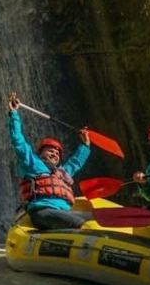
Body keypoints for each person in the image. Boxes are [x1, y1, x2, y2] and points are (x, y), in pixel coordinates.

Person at [8, 93, 93, 229]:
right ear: (40, 153)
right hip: (42, 213)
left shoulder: (63, 172)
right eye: (50, 150)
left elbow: (76, 162)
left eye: (57, 152)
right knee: (79, 223)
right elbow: (18, 141)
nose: (54, 153)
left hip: (64, 213)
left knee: (95, 220)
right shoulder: (31, 163)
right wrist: (14, 114)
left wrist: (86, 144)